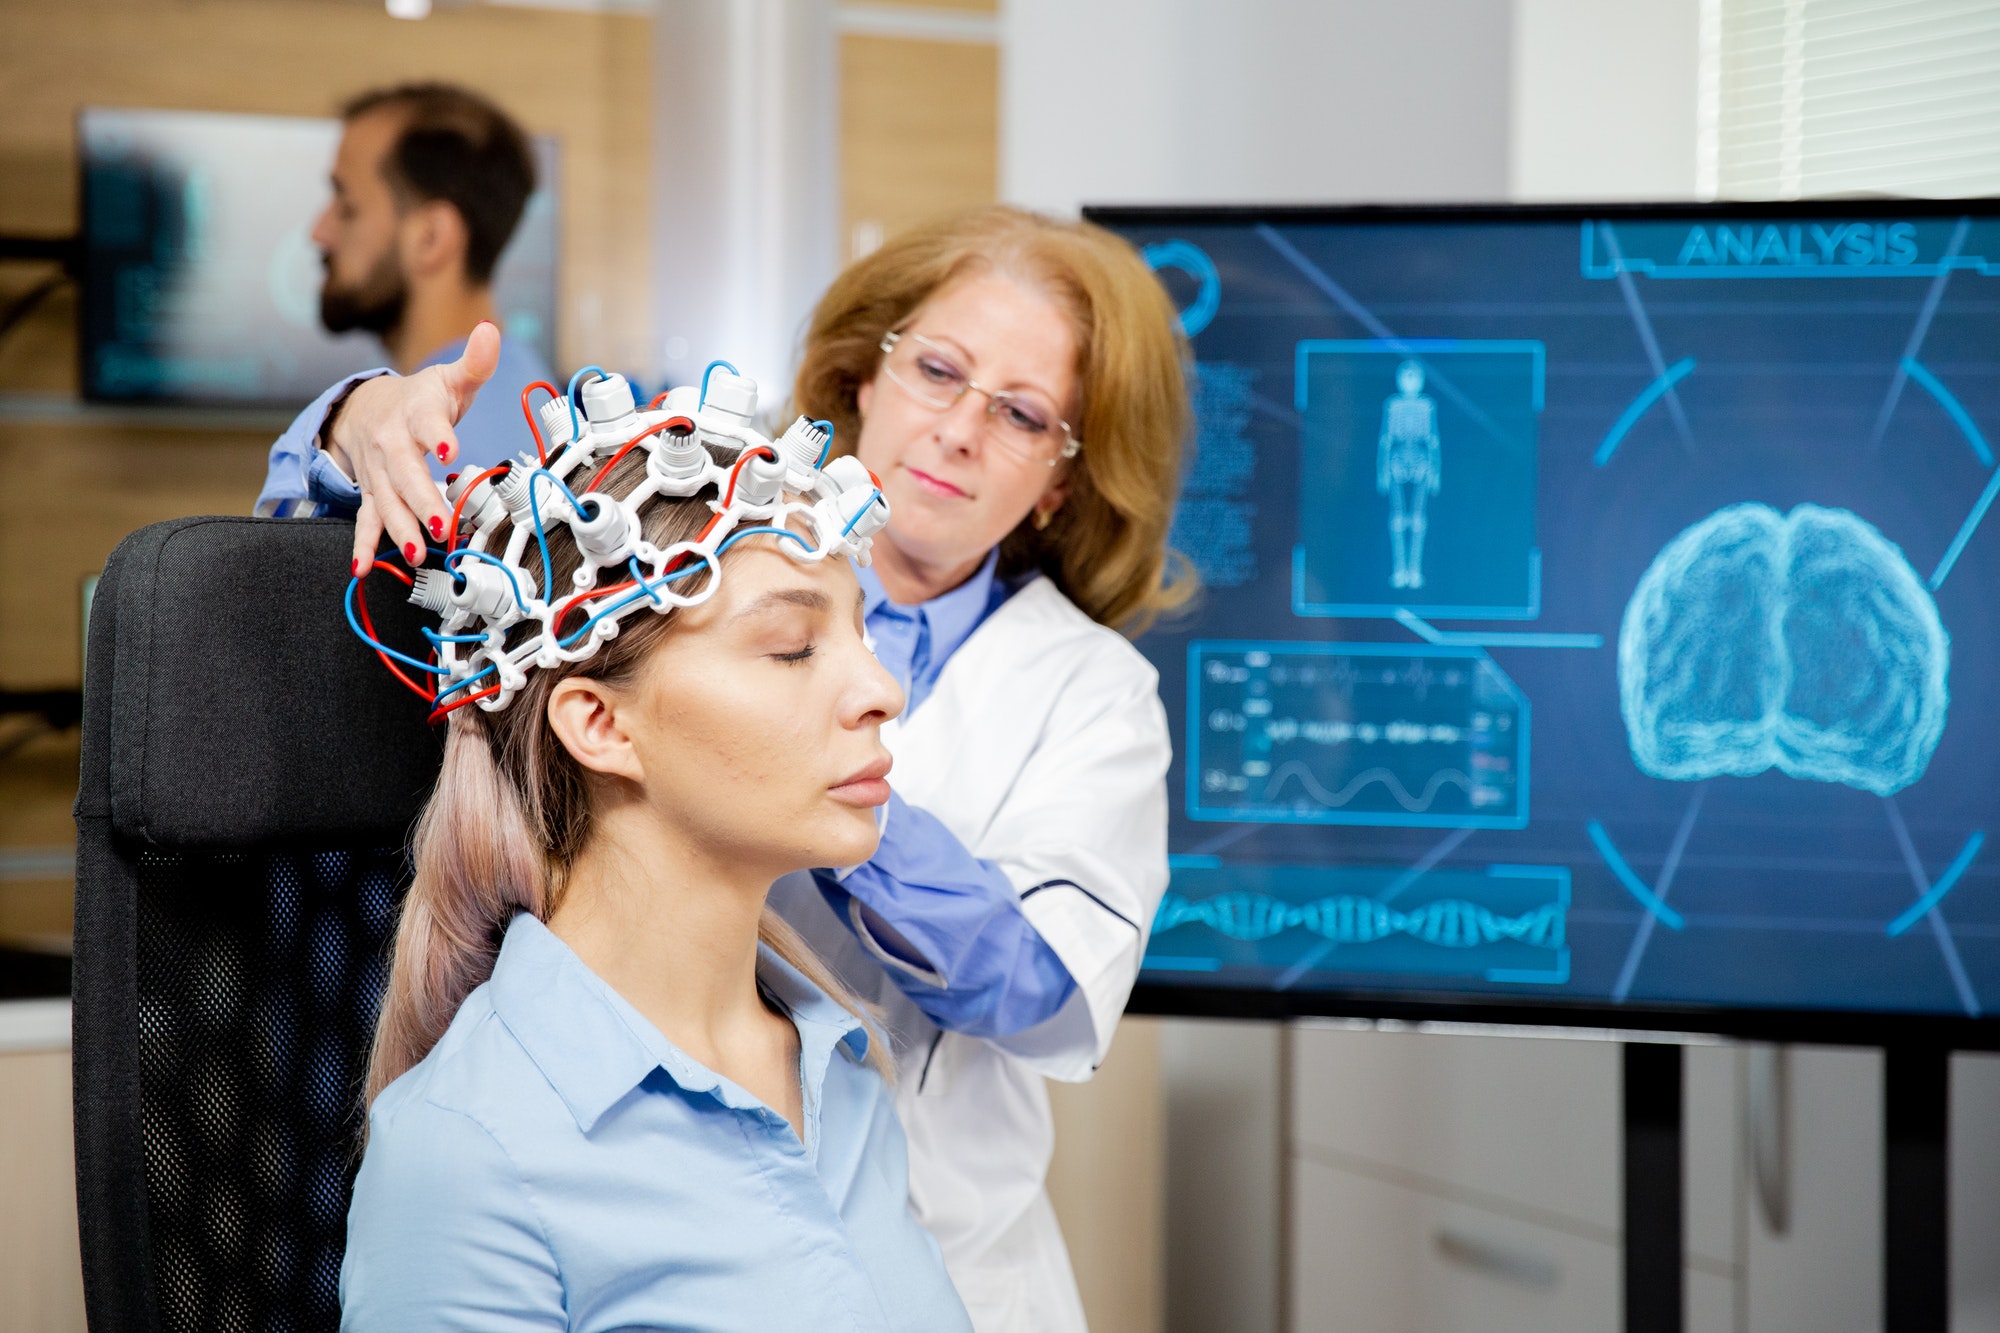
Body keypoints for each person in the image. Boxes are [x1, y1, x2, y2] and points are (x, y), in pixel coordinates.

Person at [295, 205, 1191, 1332]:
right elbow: (440, 539)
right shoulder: (698, 521)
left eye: (1019, 413)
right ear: (863, 375)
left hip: (939, 1240)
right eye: (938, 370)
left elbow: (1037, 987)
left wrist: (818, 763)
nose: (959, 429)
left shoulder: (1084, 696)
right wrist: (355, 421)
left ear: (1062, 479)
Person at [339, 438, 970, 1332]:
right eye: (793, 647)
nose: (880, 689)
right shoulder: (469, 1152)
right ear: (599, 723)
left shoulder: (846, 1069)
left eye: (861, 633)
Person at [256, 82, 553, 519]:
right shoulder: (529, 396)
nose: (319, 231)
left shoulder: (425, 459)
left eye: (348, 204)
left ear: (431, 238)